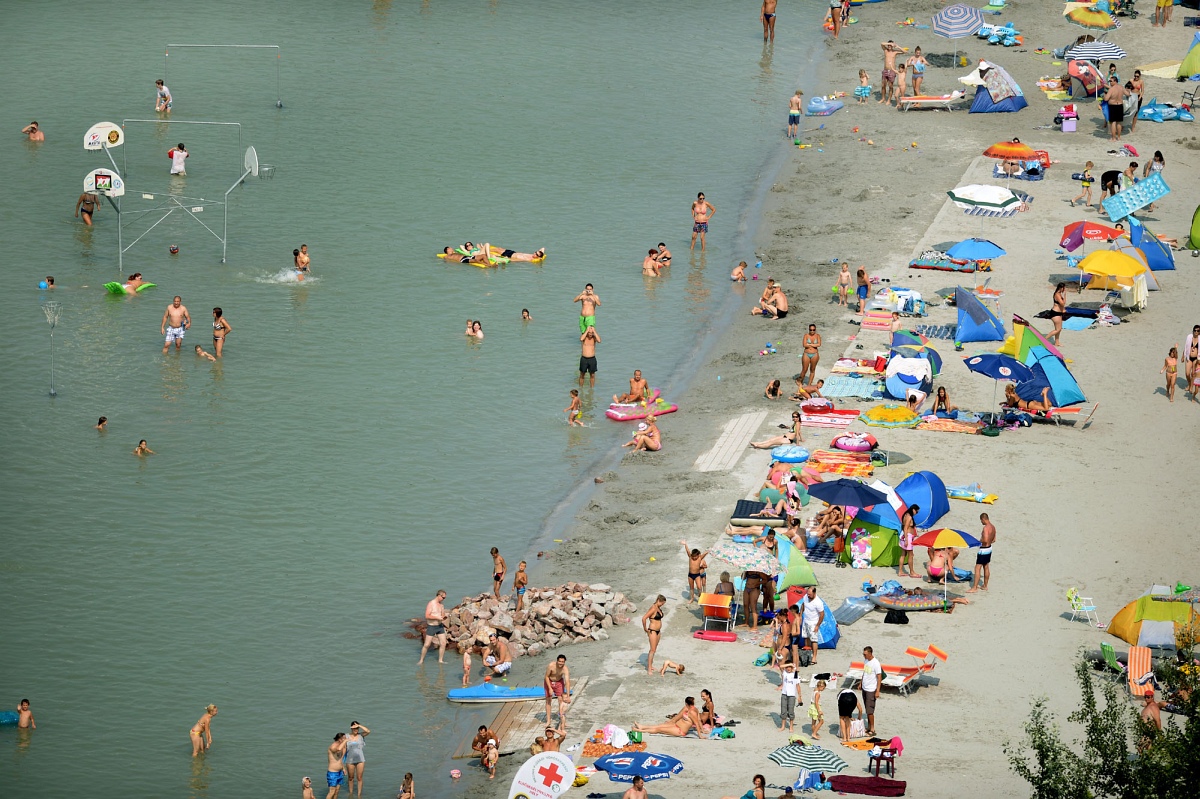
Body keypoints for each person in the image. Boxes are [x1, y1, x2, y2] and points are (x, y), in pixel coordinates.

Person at [632, 696, 701, 737]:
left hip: (680, 731)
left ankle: (639, 730)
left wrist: (700, 735)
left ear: (686, 703)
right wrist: (671, 721)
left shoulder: (692, 712)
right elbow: (698, 719)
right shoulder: (687, 708)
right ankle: (642, 726)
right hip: (676, 726)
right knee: (659, 726)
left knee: (659, 729)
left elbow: (697, 722)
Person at [966, 513, 997, 593]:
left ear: (983, 519)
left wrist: (979, 542)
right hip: (989, 548)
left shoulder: (986, 528)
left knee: (977, 568)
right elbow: (993, 540)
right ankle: (985, 586)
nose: (981, 522)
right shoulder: (993, 527)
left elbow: (985, 540)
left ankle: (975, 587)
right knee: (986, 566)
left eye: (981, 521)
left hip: (983, 550)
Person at [418, 589, 448, 665]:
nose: (444, 599)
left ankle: (440, 660)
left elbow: (442, 615)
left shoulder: (441, 605)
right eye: (443, 597)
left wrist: (444, 617)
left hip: (440, 626)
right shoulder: (431, 603)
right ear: (439, 595)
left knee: (443, 643)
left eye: (445, 598)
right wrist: (437, 617)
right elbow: (427, 615)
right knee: (427, 644)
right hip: (432, 626)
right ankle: (421, 660)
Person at [544, 654, 571, 730]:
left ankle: (562, 721)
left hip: (559, 682)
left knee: (561, 700)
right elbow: (546, 676)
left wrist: (568, 696)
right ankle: (548, 721)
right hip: (549, 681)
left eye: (563, 662)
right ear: (557, 661)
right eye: (560, 661)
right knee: (548, 700)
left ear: (564, 662)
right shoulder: (551, 666)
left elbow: (567, 681)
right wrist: (550, 688)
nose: (561, 663)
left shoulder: (565, 669)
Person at [800, 586, 826, 666]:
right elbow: (803, 604)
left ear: (814, 593)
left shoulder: (818, 602)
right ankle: (807, 654)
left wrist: (817, 625)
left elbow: (822, 614)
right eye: (808, 594)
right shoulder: (806, 597)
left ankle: (814, 657)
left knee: (814, 640)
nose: (808, 595)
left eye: (810, 594)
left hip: (813, 622)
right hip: (806, 620)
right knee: (806, 637)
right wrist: (801, 614)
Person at [344, 722, 370, 798]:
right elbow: (343, 748)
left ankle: (359, 795)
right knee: (350, 778)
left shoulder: (361, 735)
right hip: (350, 760)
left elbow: (368, 731)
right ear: (351, 728)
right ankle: (351, 793)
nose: (356, 729)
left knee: (359, 778)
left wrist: (359, 725)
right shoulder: (346, 736)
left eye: (357, 728)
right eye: (354, 728)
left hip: (360, 759)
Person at [642, 594, 667, 674]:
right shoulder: (653, 608)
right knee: (652, 650)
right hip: (652, 630)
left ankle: (651, 665)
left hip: (658, 631)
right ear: (659, 600)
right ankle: (649, 668)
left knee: (654, 649)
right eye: (662, 603)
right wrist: (645, 628)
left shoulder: (658, 608)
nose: (662, 605)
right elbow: (644, 618)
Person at [861, 646, 882, 736]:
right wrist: (860, 683)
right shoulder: (866, 661)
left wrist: (877, 690)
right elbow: (865, 673)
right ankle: (869, 727)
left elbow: (879, 677)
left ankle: (872, 729)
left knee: (870, 711)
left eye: (865, 654)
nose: (864, 656)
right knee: (867, 708)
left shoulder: (876, 663)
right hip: (865, 688)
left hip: (871, 689)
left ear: (870, 653)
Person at [880, 41, 904, 106]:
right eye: (889, 45)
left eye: (891, 45)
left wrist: (897, 46)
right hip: (885, 70)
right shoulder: (885, 51)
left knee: (890, 86)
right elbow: (881, 43)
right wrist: (889, 43)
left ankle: (889, 100)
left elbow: (904, 51)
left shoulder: (894, 52)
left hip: (892, 71)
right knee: (883, 85)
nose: (889, 47)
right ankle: (883, 98)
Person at [779, 662, 801, 732]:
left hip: (792, 695)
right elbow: (780, 666)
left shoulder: (795, 674)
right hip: (784, 694)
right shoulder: (784, 673)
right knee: (783, 710)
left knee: (791, 711)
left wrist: (799, 696)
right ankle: (783, 726)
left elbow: (798, 686)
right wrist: (790, 664)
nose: (788, 669)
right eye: (787, 667)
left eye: (790, 667)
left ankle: (791, 726)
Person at [325, 733, 348, 798]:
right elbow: (338, 750)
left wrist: (343, 768)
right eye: (344, 738)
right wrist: (345, 741)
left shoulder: (342, 746)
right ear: (340, 739)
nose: (346, 739)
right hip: (332, 773)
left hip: (340, 772)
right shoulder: (333, 746)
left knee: (336, 791)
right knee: (332, 791)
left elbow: (340, 759)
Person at [1104, 77, 1126, 142]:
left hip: (1113, 106)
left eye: (1111, 81)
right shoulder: (1121, 87)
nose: (1110, 82)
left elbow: (1106, 99)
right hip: (1120, 105)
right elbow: (1128, 94)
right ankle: (1119, 137)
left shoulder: (1111, 89)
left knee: (1113, 122)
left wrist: (1104, 95)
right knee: (1119, 122)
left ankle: (1113, 138)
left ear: (1115, 81)